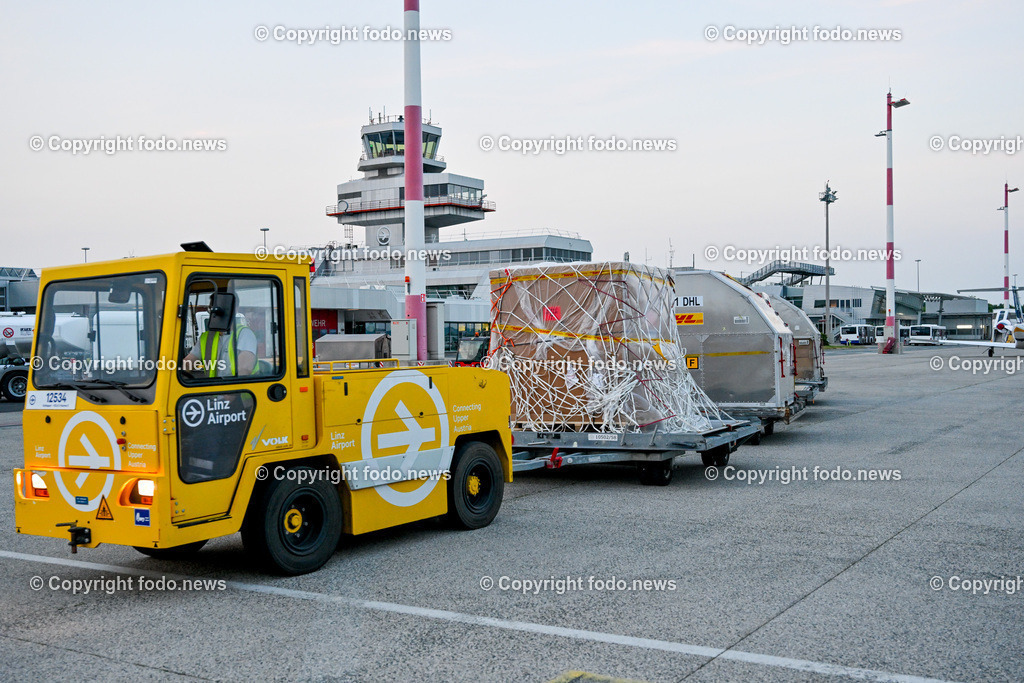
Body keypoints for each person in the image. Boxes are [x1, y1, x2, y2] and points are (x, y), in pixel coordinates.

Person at [183, 319, 258, 378]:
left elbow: (244, 368)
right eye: (211, 308)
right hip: (215, 392)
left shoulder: (244, 333)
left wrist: (232, 393)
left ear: (233, 308)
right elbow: (188, 363)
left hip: (241, 394)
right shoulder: (206, 337)